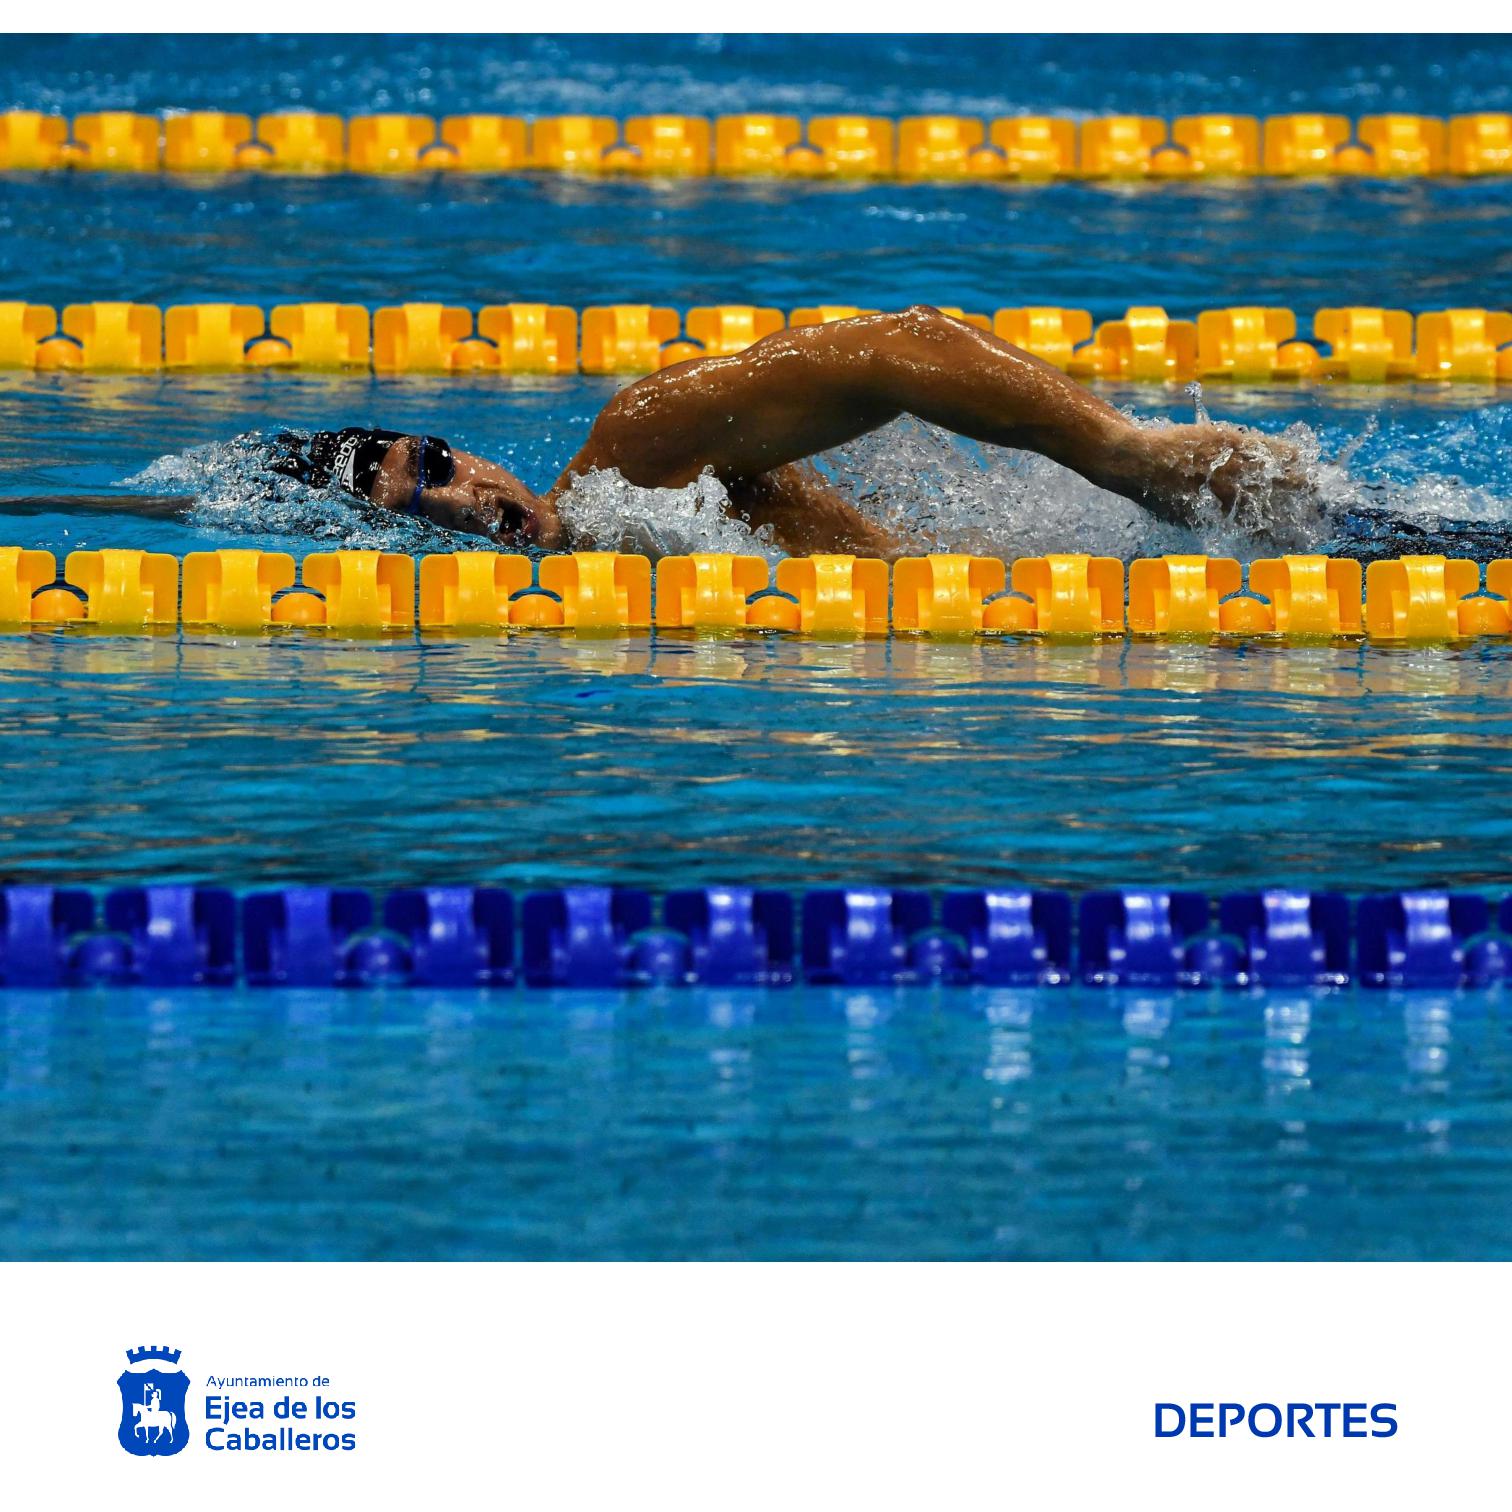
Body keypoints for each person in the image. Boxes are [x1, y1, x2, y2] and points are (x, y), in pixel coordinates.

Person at [95, 307, 1318, 556]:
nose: (459, 504)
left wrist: (1121, 455)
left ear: (461, 449)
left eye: (433, 470)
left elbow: (895, 345)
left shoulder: (634, 462)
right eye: (417, 516)